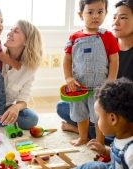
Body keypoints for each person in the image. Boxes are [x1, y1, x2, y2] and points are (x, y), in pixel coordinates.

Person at [57, 0, 133, 146]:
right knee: (74, 110)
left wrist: (109, 82)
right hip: (79, 88)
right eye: (90, 12)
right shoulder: (74, 38)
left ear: (105, 13)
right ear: (80, 15)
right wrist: (68, 78)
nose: (95, 16)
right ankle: (83, 136)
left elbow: (114, 61)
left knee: (98, 116)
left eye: (100, 12)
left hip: (100, 89)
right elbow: (67, 60)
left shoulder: (108, 37)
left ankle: (99, 140)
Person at [76, 77, 133, 169]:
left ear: (113, 119)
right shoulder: (122, 135)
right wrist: (105, 151)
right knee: (91, 166)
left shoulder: (131, 152)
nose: (96, 121)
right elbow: (118, 154)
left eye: (98, 117)